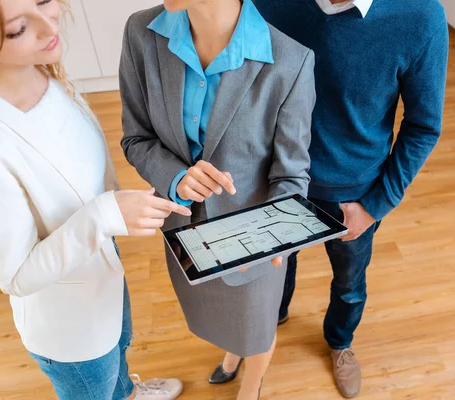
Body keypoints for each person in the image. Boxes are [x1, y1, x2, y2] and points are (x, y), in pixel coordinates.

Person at [0, 0, 190, 399]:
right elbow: (15, 277)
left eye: (44, 1)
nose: (50, 26)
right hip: (70, 328)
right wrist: (105, 214)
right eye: (17, 29)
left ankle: (128, 393)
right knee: (96, 382)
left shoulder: (46, 75)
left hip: (103, 275)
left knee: (119, 350)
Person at [119, 0, 315, 398]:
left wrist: (279, 231)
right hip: (184, 230)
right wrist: (176, 177)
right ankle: (230, 356)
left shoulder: (291, 61)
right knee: (221, 319)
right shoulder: (141, 32)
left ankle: (252, 385)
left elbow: (291, 174)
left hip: (254, 239)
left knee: (257, 327)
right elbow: (136, 138)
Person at [254, 0, 449, 397]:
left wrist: (375, 206)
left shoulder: (420, 16)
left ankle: (340, 343)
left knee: (349, 284)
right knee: (276, 268)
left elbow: (424, 126)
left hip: (353, 198)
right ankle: (271, 320)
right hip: (277, 180)